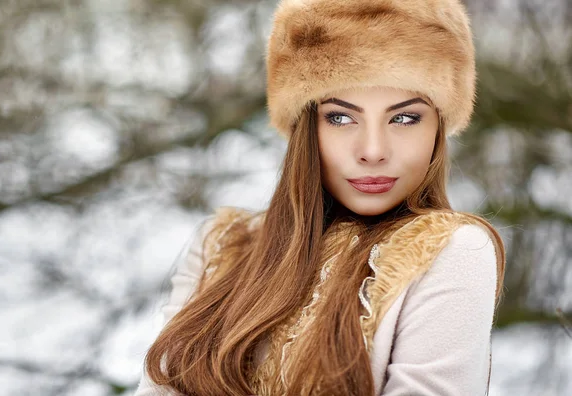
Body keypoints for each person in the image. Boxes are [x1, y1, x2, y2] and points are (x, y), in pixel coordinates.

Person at [134, 0, 507, 395]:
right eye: (341, 118)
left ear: (437, 129)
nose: (373, 150)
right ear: (305, 129)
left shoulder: (452, 251)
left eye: (403, 118)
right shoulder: (222, 247)